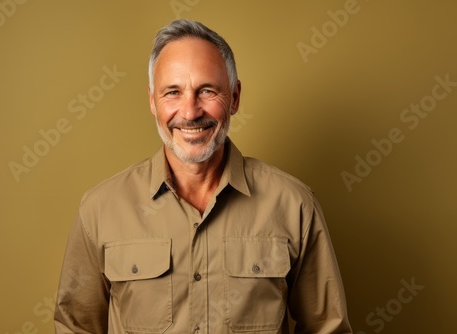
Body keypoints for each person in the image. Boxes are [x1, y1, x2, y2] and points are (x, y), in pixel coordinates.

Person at [54, 19, 353, 334]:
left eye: (207, 90)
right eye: (172, 92)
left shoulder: (294, 205)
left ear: (234, 98)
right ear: (152, 101)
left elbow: (326, 328)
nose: (190, 111)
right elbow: (76, 326)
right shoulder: (101, 209)